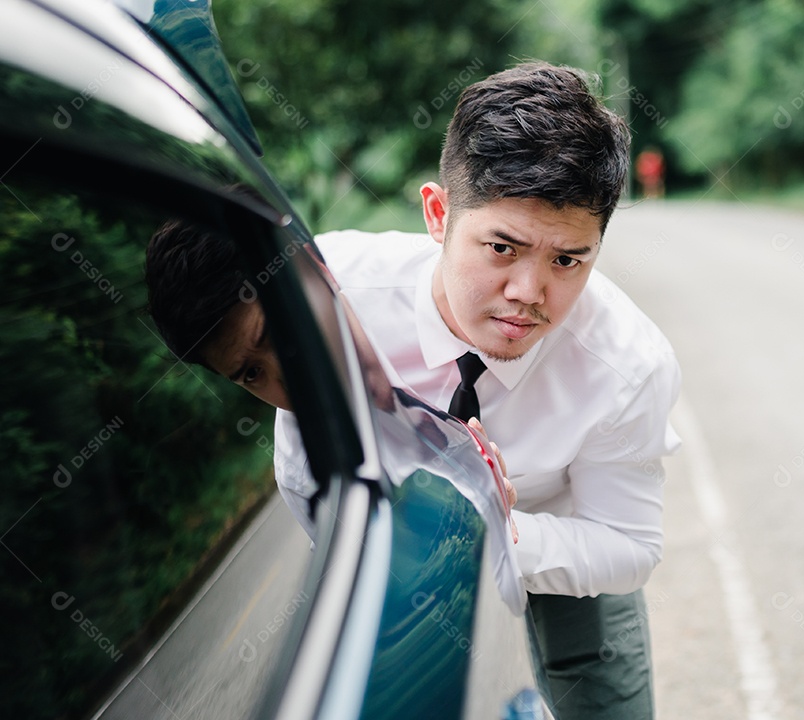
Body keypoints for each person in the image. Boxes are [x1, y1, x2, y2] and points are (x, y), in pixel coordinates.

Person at [146, 62, 680, 720]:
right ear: (437, 214)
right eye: (502, 248)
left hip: (567, 539)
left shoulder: (628, 366)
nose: (529, 294)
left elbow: (626, 546)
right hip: (427, 567)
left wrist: (501, 529)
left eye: (568, 259)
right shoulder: (325, 295)